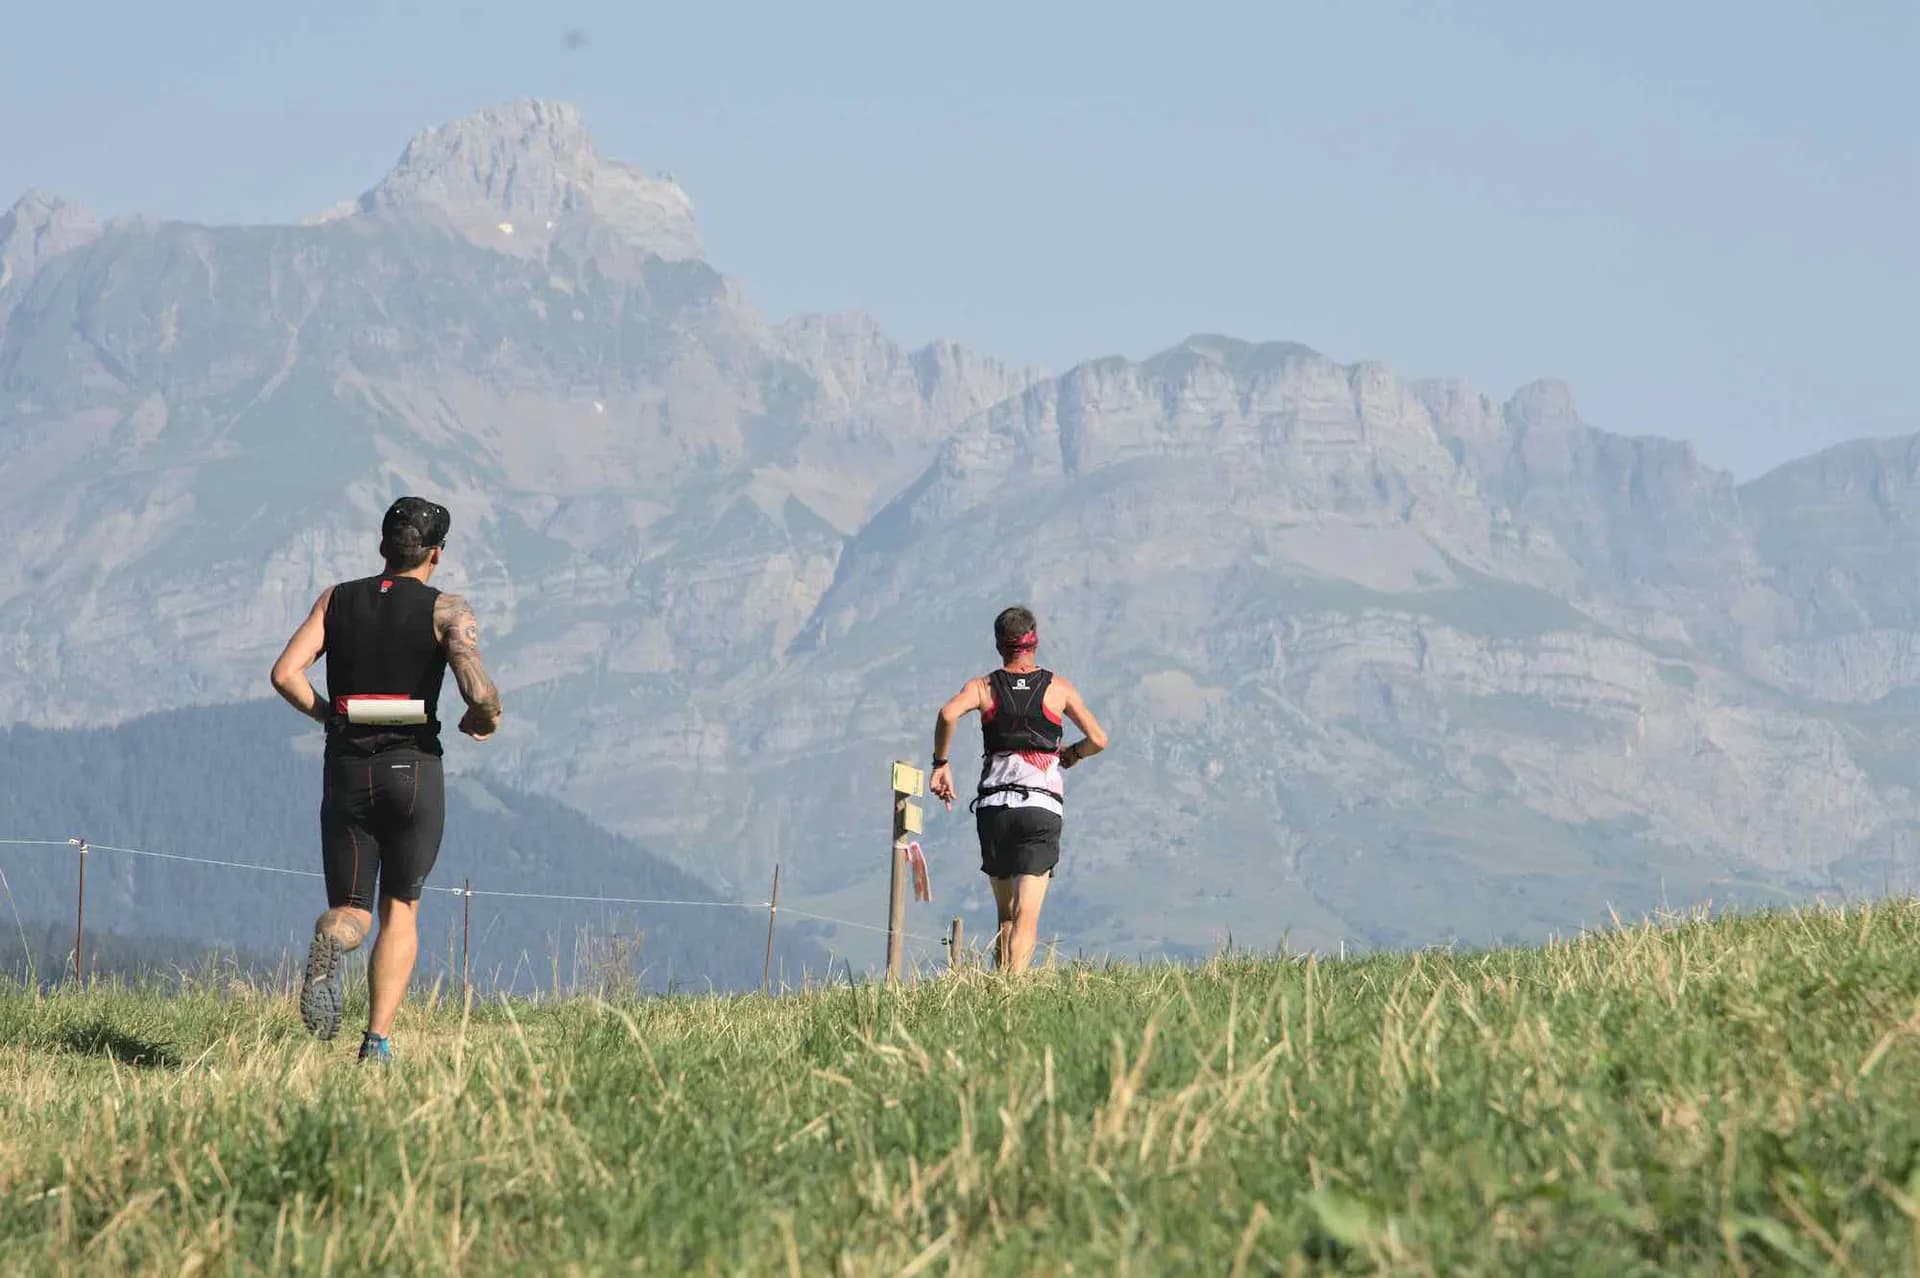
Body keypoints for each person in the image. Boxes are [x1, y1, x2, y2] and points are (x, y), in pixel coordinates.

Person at [269, 497, 502, 1062]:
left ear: (382, 546)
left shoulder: (337, 599)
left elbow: (284, 674)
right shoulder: (445, 608)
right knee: (401, 907)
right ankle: (376, 1042)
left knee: (352, 907)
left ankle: (333, 938)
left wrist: (329, 714)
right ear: (436, 554)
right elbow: (480, 692)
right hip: (413, 768)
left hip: (347, 765)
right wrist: (483, 718)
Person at [929, 607, 1107, 972]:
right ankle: (1015, 990)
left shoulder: (983, 687)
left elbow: (948, 714)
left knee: (1005, 915)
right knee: (1027, 914)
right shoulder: (1058, 688)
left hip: (994, 808)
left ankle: (999, 987)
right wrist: (1071, 754)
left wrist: (941, 764)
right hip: (1040, 808)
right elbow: (1099, 739)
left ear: (999, 645)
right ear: (1034, 640)